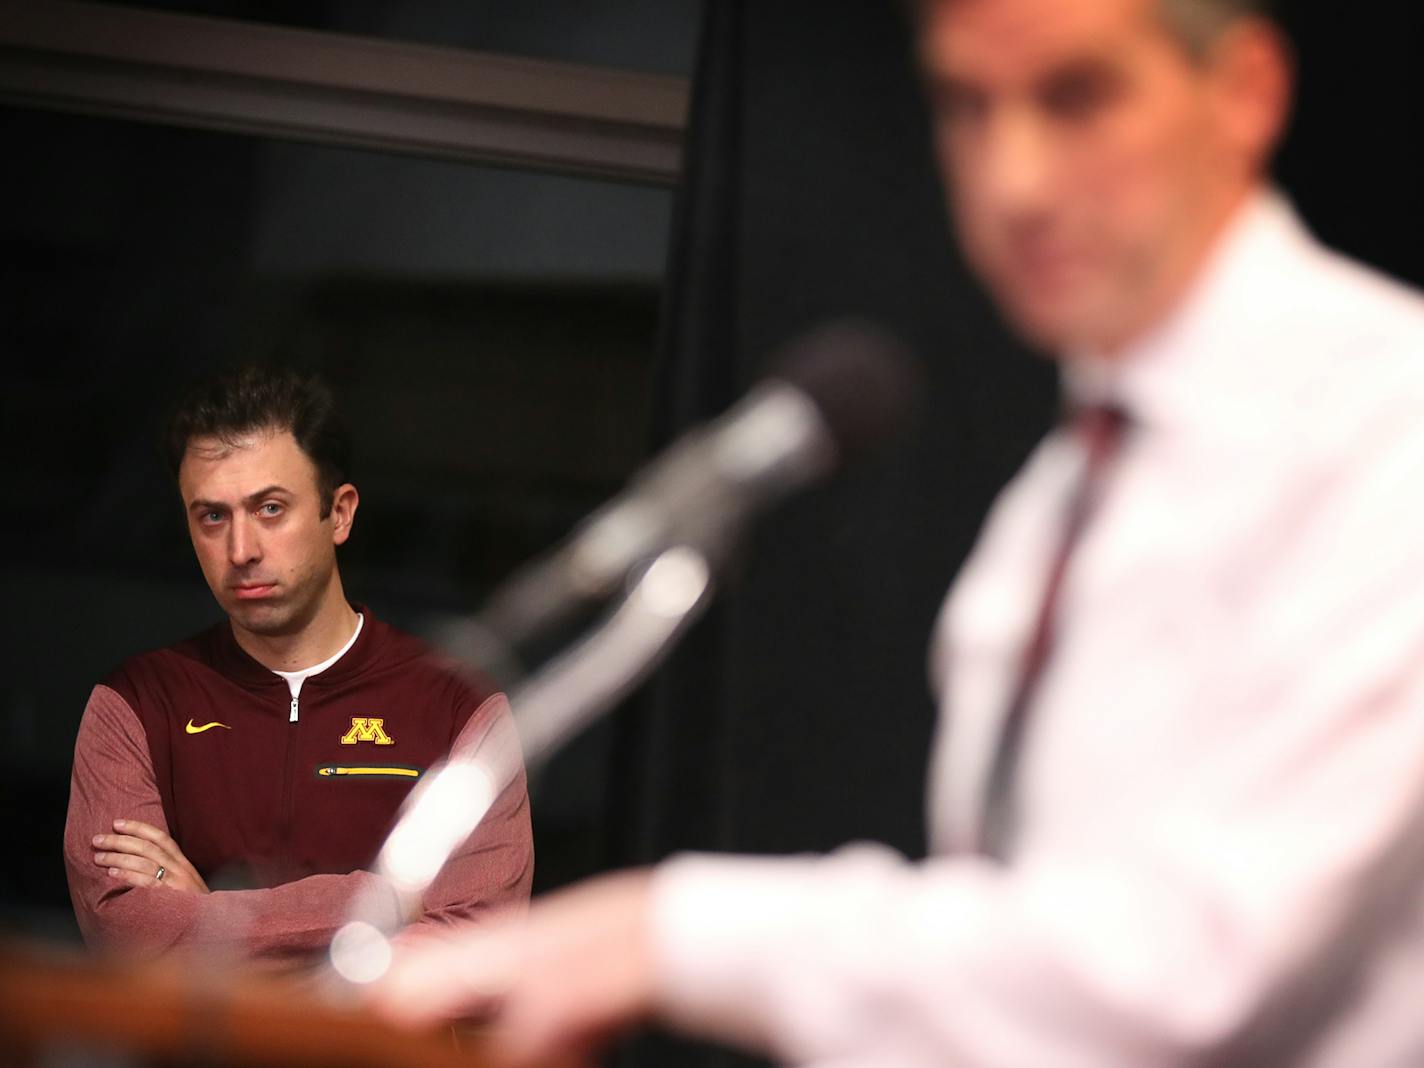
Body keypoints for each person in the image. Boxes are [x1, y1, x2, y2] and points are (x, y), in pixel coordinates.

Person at [370, 0, 1424, 1064]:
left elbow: (1188, 970)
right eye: (966, 107)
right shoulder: (1059, 497)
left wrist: (664, 932)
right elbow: (1013, 981)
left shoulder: (1391, 430)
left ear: (1242, 91)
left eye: (1076, 96)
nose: (1012, 181)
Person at [63, 365, 533, 968]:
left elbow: (474, 949)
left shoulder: (457, 705)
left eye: (270, 509)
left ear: (338, 513)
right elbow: (130, 940)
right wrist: (389, 904)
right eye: (212, 517)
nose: (240, 550)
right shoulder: (134, 703)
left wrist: (212, 919)